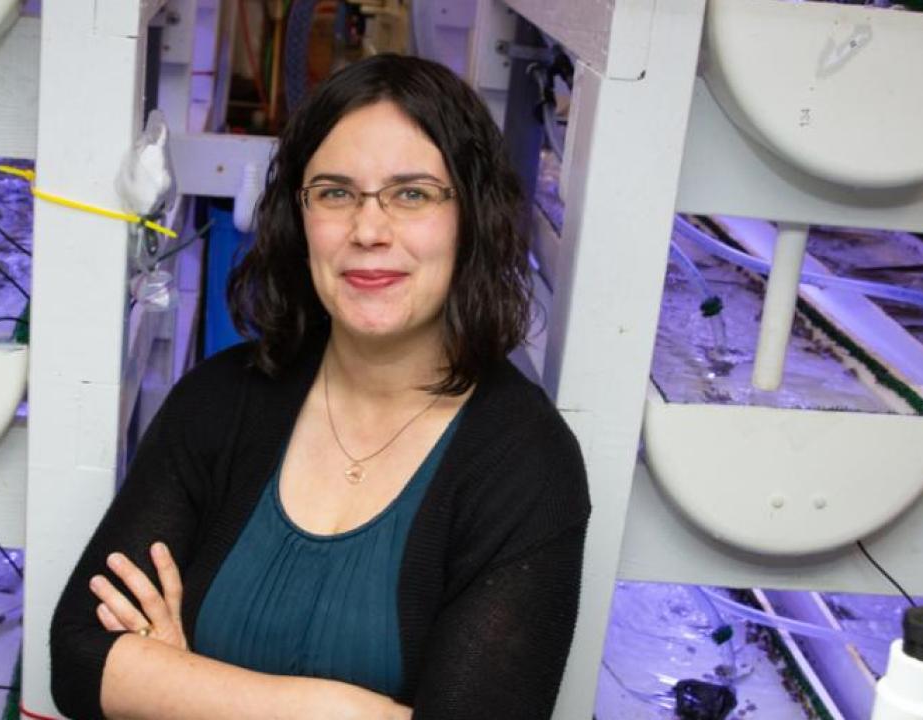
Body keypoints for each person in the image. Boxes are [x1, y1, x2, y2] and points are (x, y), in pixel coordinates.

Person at [50, 53, 590, 720]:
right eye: (335, 193)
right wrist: (355, 711)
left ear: (471, 216)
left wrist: (176, 684)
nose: (368, 230)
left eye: (412, 193)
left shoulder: (525, 462)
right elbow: (78, 659)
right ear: (298, 217)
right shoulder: (222, 400)